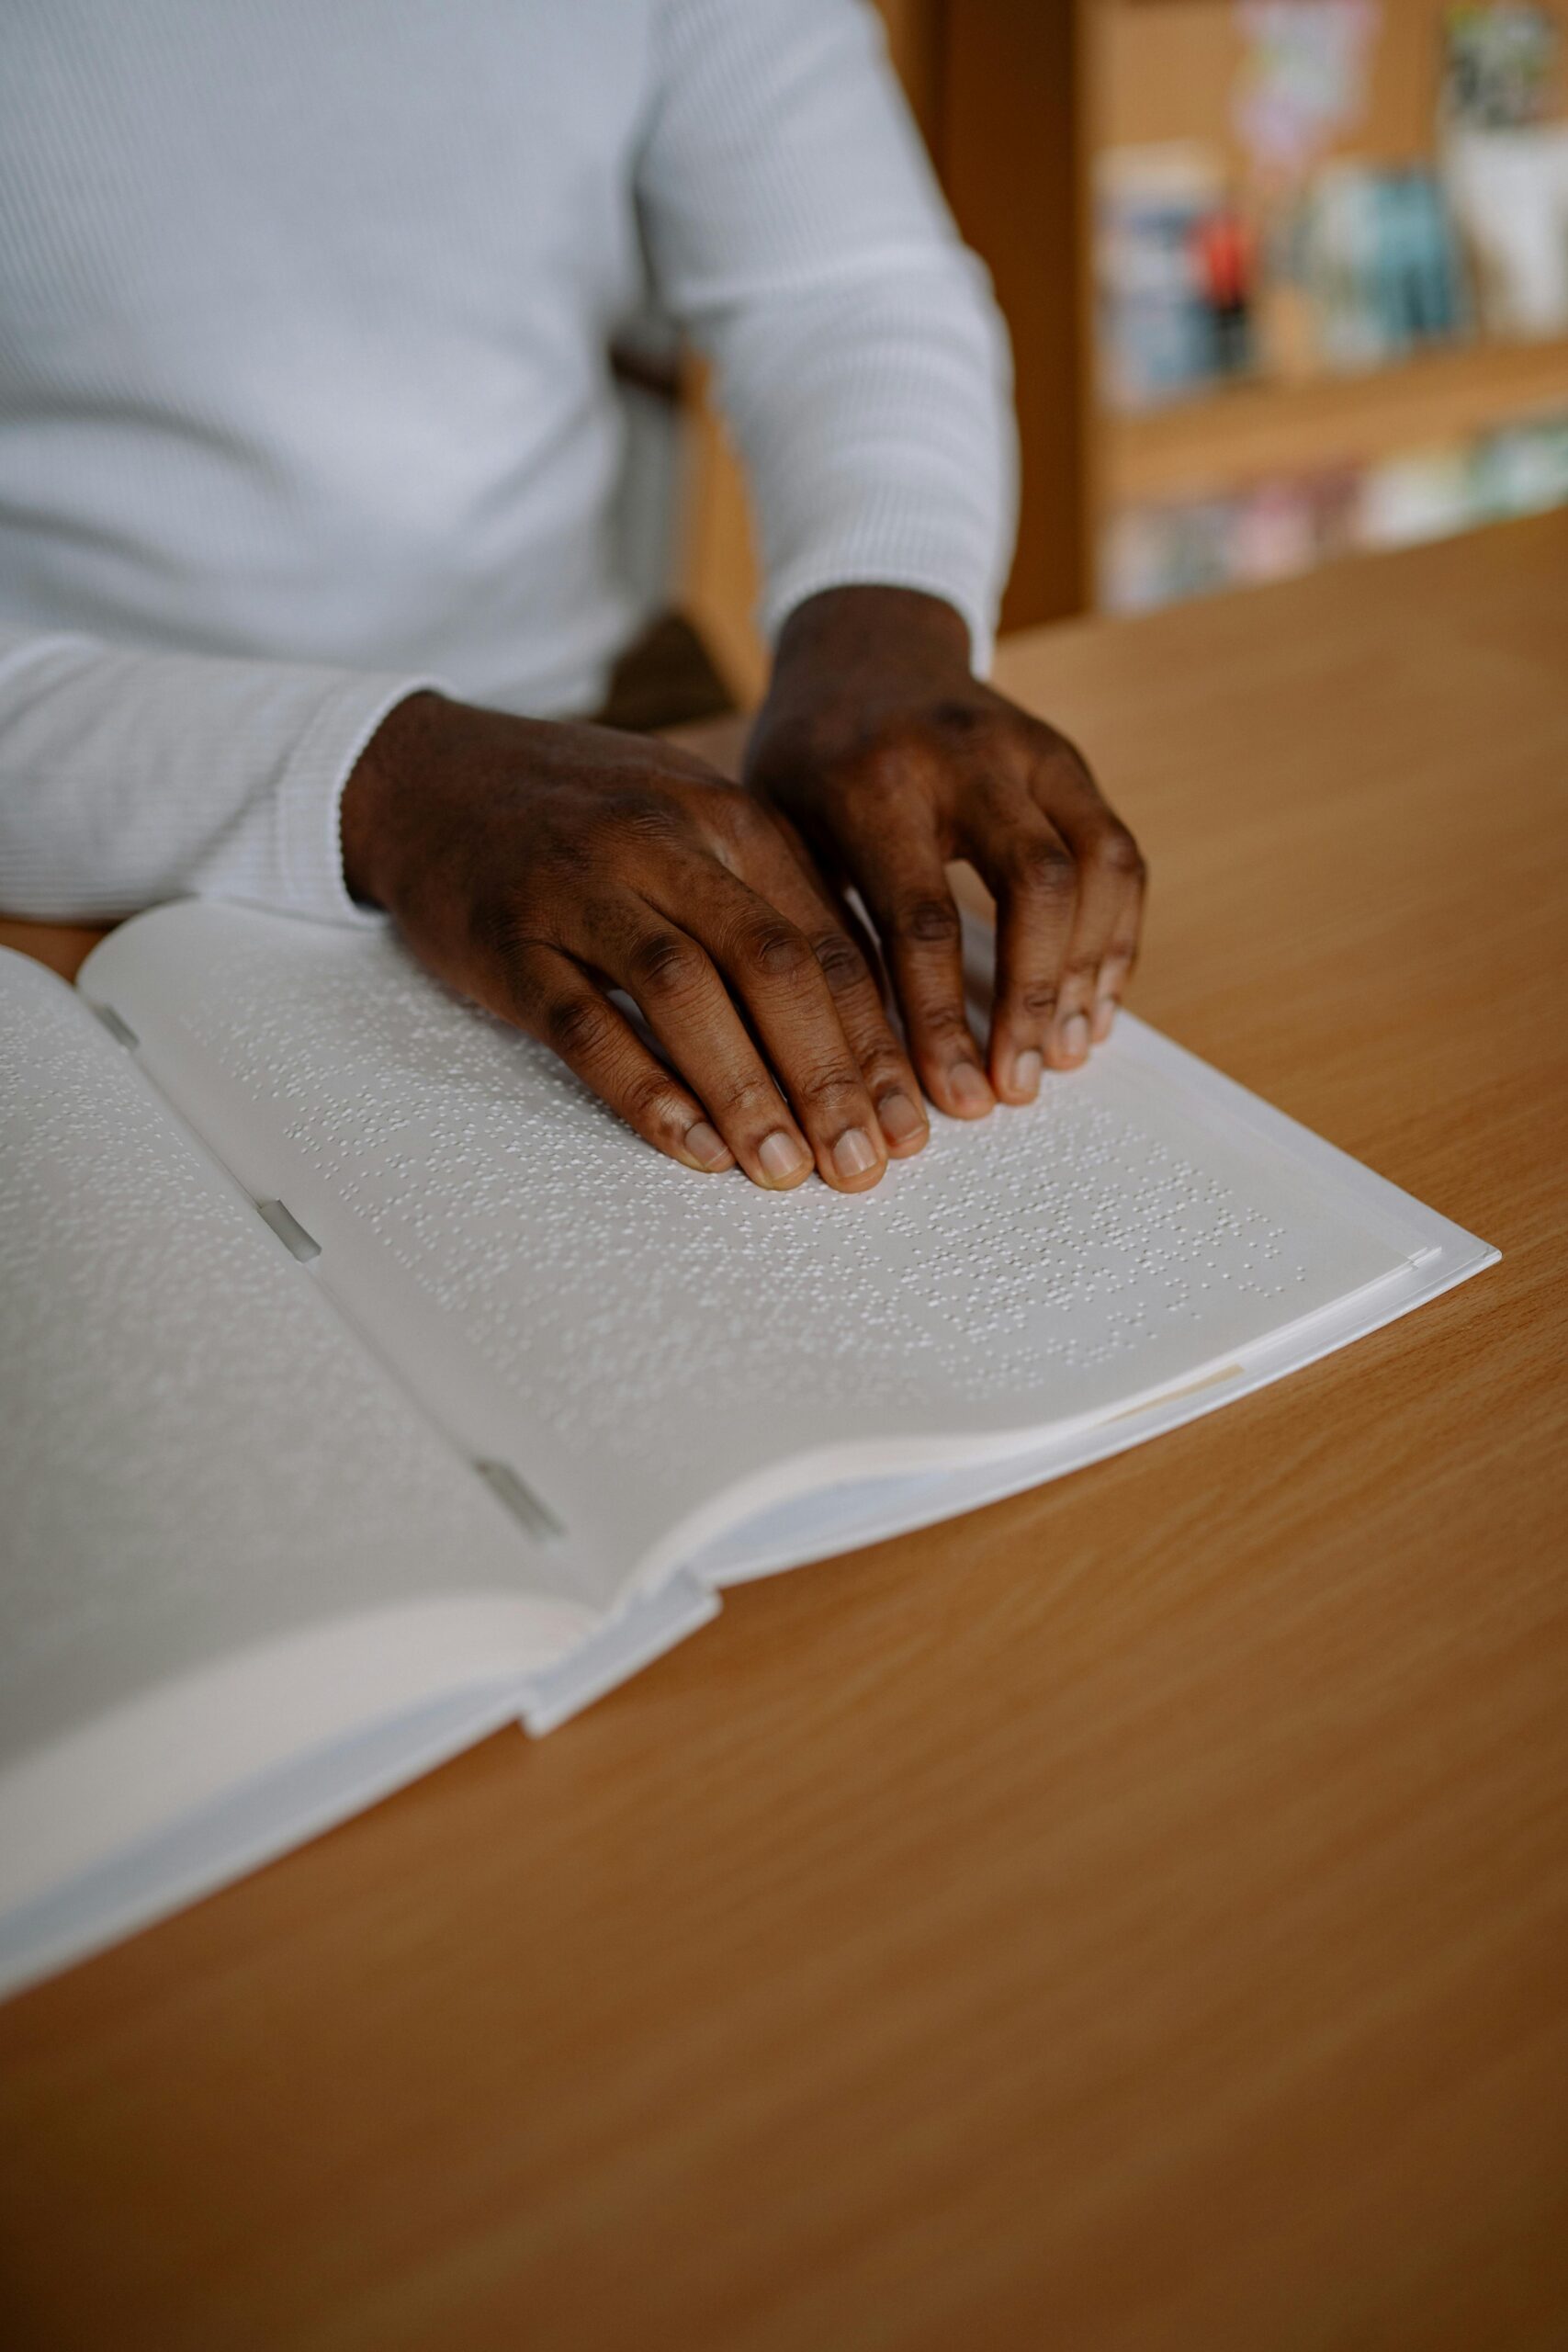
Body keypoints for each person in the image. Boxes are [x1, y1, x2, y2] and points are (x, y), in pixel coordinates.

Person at [0, 0, 1144, 1193]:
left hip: (598, 715)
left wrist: (883, 622)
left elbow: (844, 290)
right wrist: (377, 781)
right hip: (80, 789)